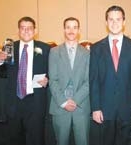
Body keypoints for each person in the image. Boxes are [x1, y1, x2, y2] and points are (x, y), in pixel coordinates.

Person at [89, 5, 131, 145]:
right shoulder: (96, 48)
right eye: (111, 20)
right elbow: (94, 80)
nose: (115, 23)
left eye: (118, 19)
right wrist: (95, 108)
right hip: (104, 110)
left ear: (124, 22)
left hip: (129, 110)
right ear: (106, 22)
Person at [0, 16, 50, 145]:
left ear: (35, 31)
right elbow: (3, 73)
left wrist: (48, 79)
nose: (26, 31)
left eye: (29, 28)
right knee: (15, 139)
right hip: (14, 102)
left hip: (35, 102)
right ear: (18, 31)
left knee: (37, 139)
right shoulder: (9, 47)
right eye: (23, 28)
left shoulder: (45, 49)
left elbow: (52, 71)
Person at [48, 17, 90, 145]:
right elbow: (53, 80)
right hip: (60, 106)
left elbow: (88, 81)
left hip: (81, 106)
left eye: (74, 27)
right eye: (68, 27)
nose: (71, 30)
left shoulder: (87, 53)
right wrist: (63, 102)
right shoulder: (54, 52)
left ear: (79, 30)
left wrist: (75, 100)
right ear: (64, 30)